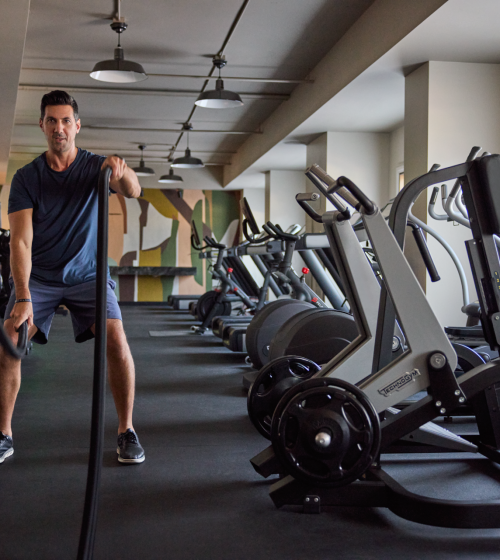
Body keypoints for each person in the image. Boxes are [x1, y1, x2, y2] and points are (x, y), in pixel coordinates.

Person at [0, 90, 145, 465]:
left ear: (77, 126)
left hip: (89, 276)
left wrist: (123, 169)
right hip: (41, 279)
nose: (59, 128)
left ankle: (126, 430)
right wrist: (22, 297)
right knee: (9, 343)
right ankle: (3, 433)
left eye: (66, 121)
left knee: (116, 339)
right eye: (52, 120)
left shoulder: (96, 168)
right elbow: (20, 240)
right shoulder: (27, 177)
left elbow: (133, 191)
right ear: (42, 125)